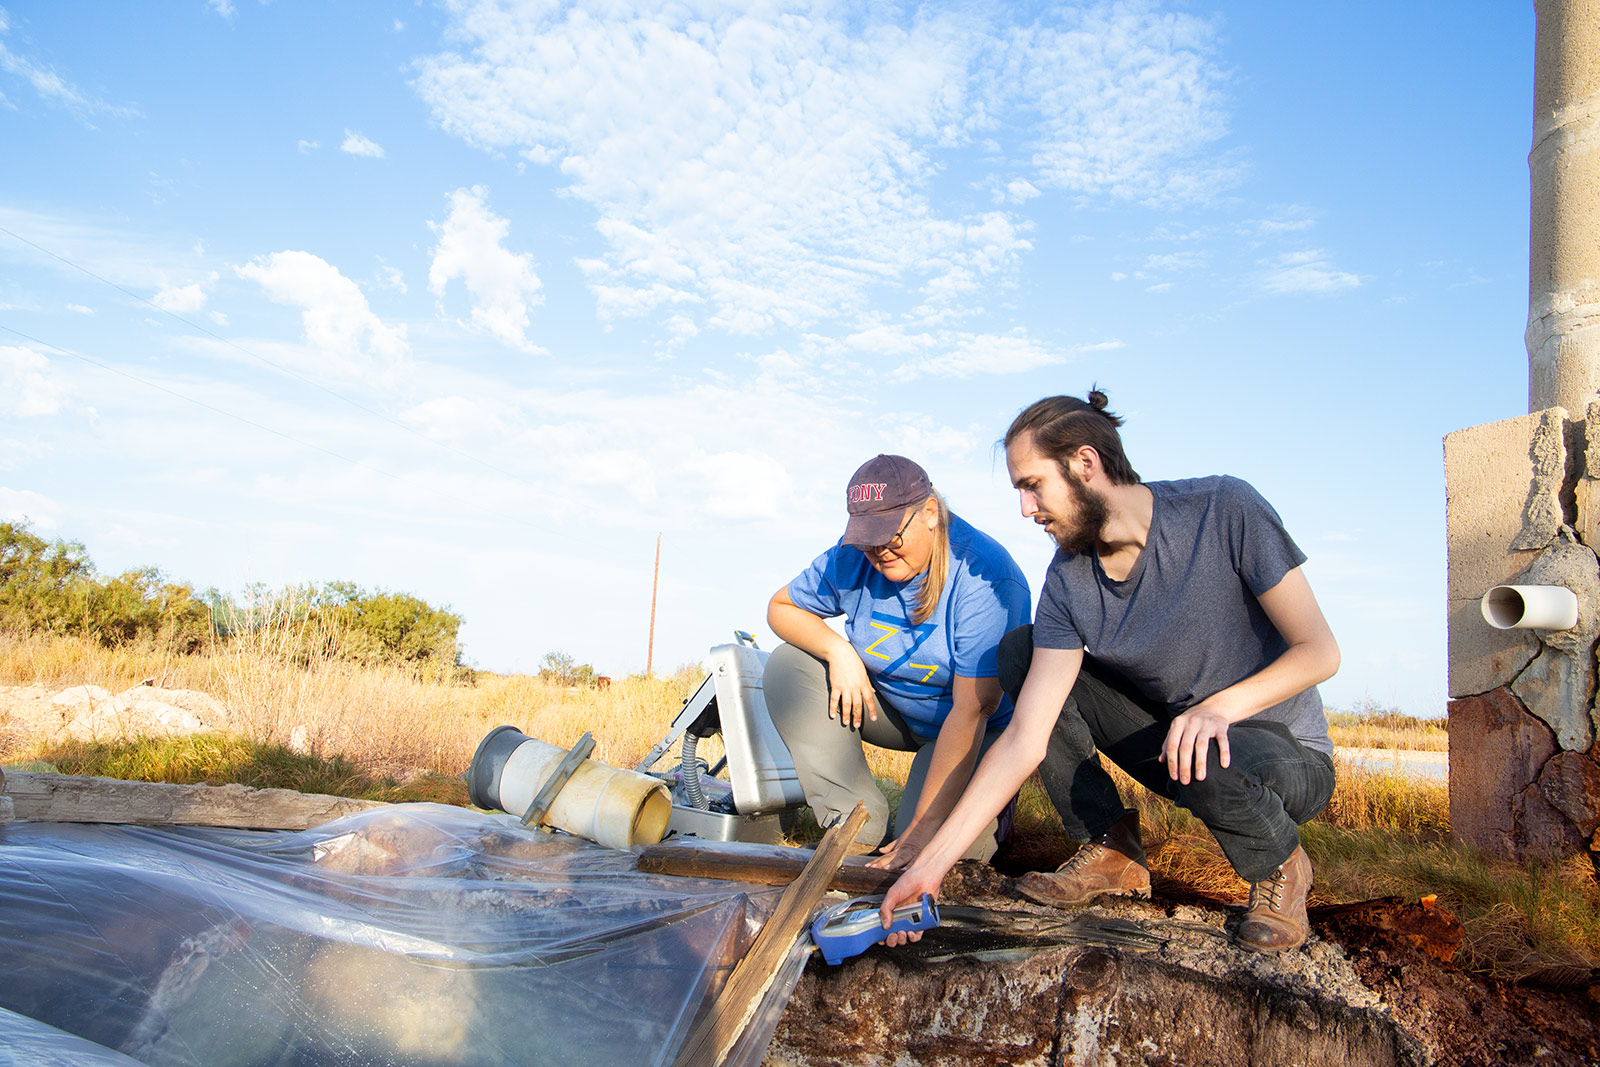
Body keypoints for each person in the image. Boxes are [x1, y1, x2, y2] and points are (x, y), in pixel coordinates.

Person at [879, 391, 1340, 953]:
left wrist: (1217, 709)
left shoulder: (1223, 509)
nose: (1026, 510)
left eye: (1032, 485)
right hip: (1179, 745)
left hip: (1283, 754)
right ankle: (1112, 847)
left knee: (1215, 749)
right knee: (1022, 652)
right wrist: (930, 867)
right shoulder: (1069, 581)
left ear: (1085, 464)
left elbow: (1319, 651)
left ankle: (1281, 866)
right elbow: (1026, 737)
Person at [763, 454, 1032, 864]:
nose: (878, 550)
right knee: (790, 665)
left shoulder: (986, 576)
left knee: (934, 855)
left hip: (973, 728)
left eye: (890, 534)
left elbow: (973, 710)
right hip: (893, 712)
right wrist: (838, 651)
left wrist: (921, 835)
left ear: (929, 513)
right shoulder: (853, 556)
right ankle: (854, 821)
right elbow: (780, 607)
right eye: (867, 537)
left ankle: (990, 811)